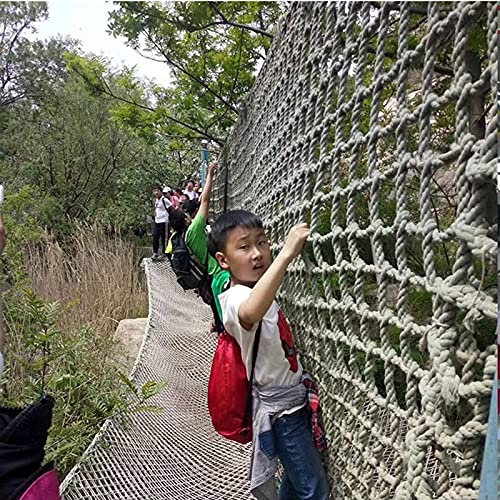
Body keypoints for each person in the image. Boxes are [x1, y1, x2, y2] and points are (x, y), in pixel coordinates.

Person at [207, 213, 330, 499]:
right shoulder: (235, 298)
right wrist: (285, 255)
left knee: (295, 482)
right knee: (314, 490)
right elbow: (250, 312)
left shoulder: (254, 287)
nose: (257, 254)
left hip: (293, 402)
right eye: (244, 246)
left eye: (262, 243)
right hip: (281, 413)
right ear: (224, 261)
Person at [152, 186, 172, 260]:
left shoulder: (165, 200)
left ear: (161, 191)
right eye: (154, 191)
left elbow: (171, 208)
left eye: (157, 191)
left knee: (164, 238)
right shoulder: (157, 200)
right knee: (155, 236)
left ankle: (165, 253)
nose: (156, 193)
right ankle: (155, 252)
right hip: (157, 221)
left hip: (164, 221)